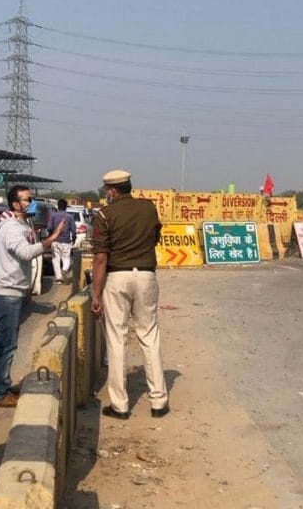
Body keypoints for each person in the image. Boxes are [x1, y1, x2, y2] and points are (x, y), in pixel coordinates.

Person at [91, 169, 169, 420]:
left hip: (117, 277)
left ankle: (120, 405)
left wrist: (95, 294)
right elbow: (155, 237)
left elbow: (101, 257)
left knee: (117, 339)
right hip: (146, 275)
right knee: (149, 335)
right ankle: (159, 401)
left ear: (111, 190)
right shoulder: (148, 208)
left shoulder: (104, 215)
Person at [0, 185, 64, 407]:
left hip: (14, 292)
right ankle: (0, 392)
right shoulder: (12, 228)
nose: (32, 202)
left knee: (3, 342)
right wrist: (52, 239)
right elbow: (25, 253)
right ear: (15, 204)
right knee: (7, 344)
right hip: (6, 294)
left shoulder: (21, 224)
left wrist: (27, 290)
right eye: (27, 199)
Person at [47, 199, 77, 283]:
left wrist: (52, 235)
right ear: (66, 207)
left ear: (58, 206)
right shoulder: (70, 217)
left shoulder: (53, 216)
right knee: (66, 258)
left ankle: (59, 278)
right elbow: (74, 230)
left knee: (55, 259)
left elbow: (49, 228)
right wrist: (74, 238)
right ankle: (64, 269)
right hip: (66, 241)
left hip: (55, 241)